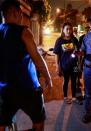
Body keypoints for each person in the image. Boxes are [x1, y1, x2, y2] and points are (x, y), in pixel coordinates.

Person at [0, 1, 52, 131]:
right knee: (38, 121)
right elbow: (38, 59)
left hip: (4, 88)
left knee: (1, 123)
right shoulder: (24, 32)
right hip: (28, 89)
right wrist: (48, 78)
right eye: (22, 13)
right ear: (16, 13)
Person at [53, 22, 80, 104]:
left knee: (74, 80)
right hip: (65, 65)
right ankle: (65, 97)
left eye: (70, 29)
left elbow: (79, 52)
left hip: (74, 65)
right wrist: (57, 66)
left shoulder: (74, 40)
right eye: (67, 29)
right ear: (63, 30)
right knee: (66, 80)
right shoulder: (59, 40)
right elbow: (56, 54)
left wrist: (78, 60)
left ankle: (74, 97)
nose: (69, 31)